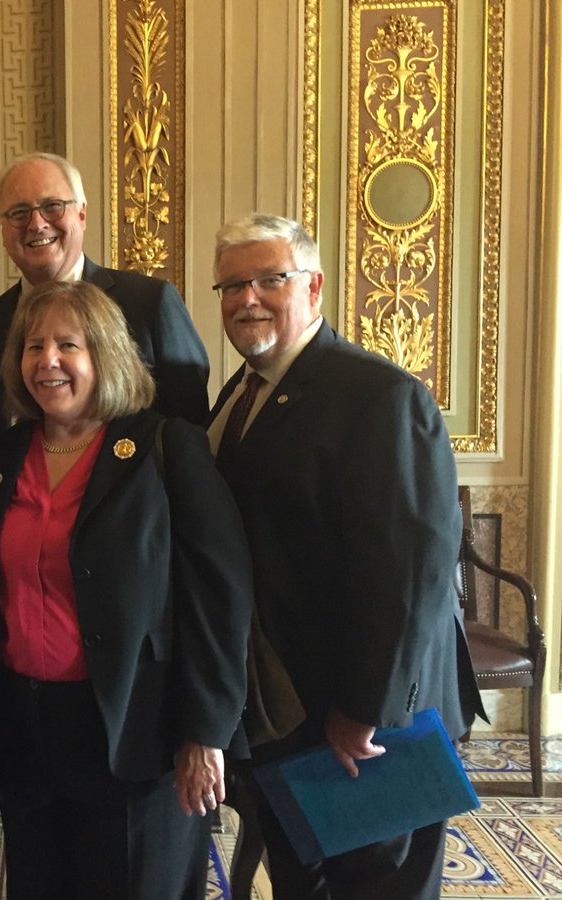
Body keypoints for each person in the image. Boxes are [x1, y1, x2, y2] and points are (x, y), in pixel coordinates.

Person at [208, 213, 484, 900]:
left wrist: (368, 707)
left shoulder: (377, 396)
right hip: (285, 708)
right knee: (305, 880)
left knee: (376, 887)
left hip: (364, 723)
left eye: (270, 279)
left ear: (314, 286)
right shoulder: (238, 396)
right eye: (232, 284)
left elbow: (411, 569)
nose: (248, 299)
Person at [0, 280, 253, 899]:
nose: (48, 361)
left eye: (70, 344)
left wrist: (206, 731)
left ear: (106, 355)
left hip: (137, 733)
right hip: (28, 732)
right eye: (34, 347)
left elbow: (219, 599)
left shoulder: (165, 447)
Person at [0, 152, 209, 446]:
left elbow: (190, 428)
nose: (37, 224)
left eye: (52, 206)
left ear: (81, 214)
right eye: (19, 213)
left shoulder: (150, 304)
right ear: (2, 228)